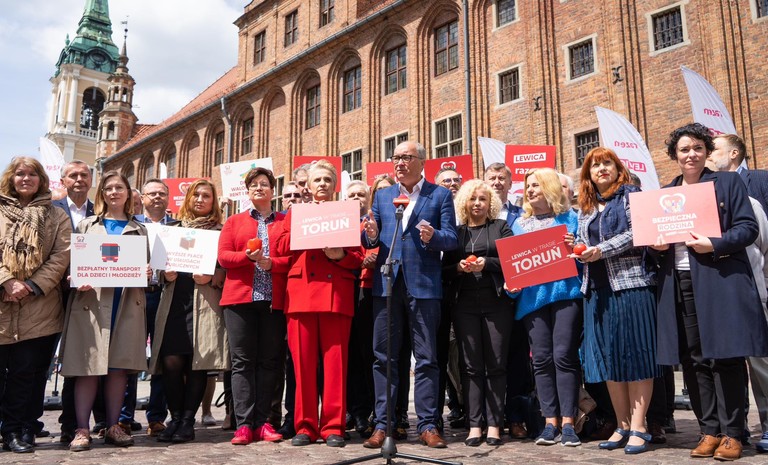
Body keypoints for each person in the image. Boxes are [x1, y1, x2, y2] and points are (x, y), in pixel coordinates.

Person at [650, 123, 768, 461]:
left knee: (725, 356)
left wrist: (714, 244)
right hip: (680, 283)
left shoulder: (728, 183)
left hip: (719, 280)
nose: (691, 154)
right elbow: (652, 243)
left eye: (698, 148)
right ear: (674, 155)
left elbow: (748, 228)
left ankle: (732, 433)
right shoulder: (664, 193)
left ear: (706, 152)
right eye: (684, 149)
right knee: (695, 358)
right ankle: (709, 430)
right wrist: (657, 246)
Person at [362, 141, 458, 449]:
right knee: (384, 358)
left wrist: (433, 237)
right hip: (387, 285)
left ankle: (428, 424)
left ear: (421, 162)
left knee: (427, 358)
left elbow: (451, 238)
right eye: (396, 158)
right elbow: (370, 238)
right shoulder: (384, 195)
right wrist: (371, 234)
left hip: (424, 286)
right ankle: (383, 424)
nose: (399, 163)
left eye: (406, 157)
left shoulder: (439, 195)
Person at [570, 148, 660, 455]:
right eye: (595, 166)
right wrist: (577, 247)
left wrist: (601, 250)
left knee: (636, 357)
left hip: (631, 286)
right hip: (596, 290)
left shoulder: (632, 197)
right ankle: (622, 425)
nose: (601, 169)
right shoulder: (585, 207)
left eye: (607, 163)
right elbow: (583, 241)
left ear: (618, 168)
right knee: (608, 359)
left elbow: (637, 232)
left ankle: (639, 426)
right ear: (588, 175)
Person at [273, 160, 363, 448]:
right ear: (308, 187)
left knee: (336, 366)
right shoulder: (295, 213)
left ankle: (334, 426)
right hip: (302, 294)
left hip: (336, 295)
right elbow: (279, 248)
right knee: (302, 366)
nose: (322, 184)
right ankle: (305, 426)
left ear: (335, 185)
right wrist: (302, 228)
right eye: (317, 180)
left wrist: (340, 255)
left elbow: (359, 258)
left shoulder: (345, 212)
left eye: (327, 179)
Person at [59, 170, 151, 452]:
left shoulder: (140, 229)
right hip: (92, 303)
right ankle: (82, 429)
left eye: (119, 188)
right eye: (108, 188)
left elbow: (148, 267)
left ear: (127, 193)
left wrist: (147, 272)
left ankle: (113, 426)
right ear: (102, 194)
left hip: (126, 304)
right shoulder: (87, 226)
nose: (114, 193)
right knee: (87, 367)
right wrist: (75, 277)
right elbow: (72, 264)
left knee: (118, 368)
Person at [506, 168, 582, 447]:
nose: (530, 190)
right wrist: (511, 286)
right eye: (528, 186)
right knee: (541, 359)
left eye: (536, 185)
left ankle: (569, 422)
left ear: (549, 187)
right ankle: (549, 422)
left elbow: (583, 257)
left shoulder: (571, 218)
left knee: (564, 356)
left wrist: (576, 247)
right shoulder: (518, 225)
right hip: (532, 300)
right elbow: (513, 266)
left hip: (565, 295)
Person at [0, 157, 71, 453]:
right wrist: (7, 281)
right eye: (20, 174)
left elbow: (61, 256)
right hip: (2, 303)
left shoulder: (57, 215)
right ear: (11, 178)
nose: (26, 178)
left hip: (39, 308)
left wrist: (29, 285)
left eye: (32, 174)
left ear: (41, 180)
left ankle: (17, 430)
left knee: (26, 374)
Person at [149, 179, 229, 443]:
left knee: (197, 363)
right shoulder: (173, 229)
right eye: (196, 195)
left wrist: (213, 276)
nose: (200, 200)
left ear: (213, 201)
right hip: (175, 301)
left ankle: (187, 421)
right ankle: (175, 417)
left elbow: (227, 267)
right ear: (188, 199)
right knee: (171, 361)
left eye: (206, 196)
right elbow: (158, 267)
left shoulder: (220, 231)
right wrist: (165, 273)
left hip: (204, 302)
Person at [218, 167, 288, 445]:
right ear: (247, 192)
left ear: (272, 190)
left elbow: (294, 258)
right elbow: (223, 257)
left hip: (273, 301)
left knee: (270, 362)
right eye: (254, 185)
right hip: (240, 300)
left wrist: (273, 264)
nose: (259, 188)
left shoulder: (284, 221)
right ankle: (244, 424)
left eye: (264, 184)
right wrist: (246, 257)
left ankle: (264, 422)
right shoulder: (234, 222)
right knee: (242, 363)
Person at [442, 180, 513, 446]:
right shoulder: (456, 233)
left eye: (482, 199)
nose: (477, 204)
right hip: (464, 305)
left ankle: (494, 424)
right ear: (464, 202)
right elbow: (443, 271)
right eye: (472, 199)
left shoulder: (501, 227)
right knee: (470, 367)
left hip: (497, 303)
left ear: (490, 203)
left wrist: (488, 263)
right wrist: (459, 268)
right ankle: (474, 425)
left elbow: (513, 259)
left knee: (496, 364)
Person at [121, 178, 177, 438]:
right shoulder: (131, 226)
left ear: (168, 198)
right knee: (129, 355)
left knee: (161, 357)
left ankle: (156, 417)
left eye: (161, 193)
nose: (156, 197)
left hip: (164, 295)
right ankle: (124, 417)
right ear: (141, 198)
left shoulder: (177, 228)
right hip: (135, 295)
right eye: (151, 193)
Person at [484, 163, 532, 440]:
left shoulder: (522, 215)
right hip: (485, 293)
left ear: (510, 183)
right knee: (488, 360)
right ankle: (489, 417)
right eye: (492, 177)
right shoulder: (477, 213)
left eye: (502, 178)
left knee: (516, 358)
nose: (497, 182)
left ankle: (515, 417)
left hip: (516, 294)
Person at [52, 160, 96, 443]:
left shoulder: (99, 212)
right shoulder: (52, 209)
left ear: (91, 180)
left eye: (84, 175)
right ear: (63, 181)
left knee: (82, 359)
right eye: (73, 175)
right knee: (45, 359)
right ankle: (27, 422)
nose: (79, 179)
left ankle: (73, 423)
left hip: (88, 293)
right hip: (53, 292)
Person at [345, 180, 375, 437]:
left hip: (367, 288)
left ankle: (366, 411)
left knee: (366, 352)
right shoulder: (340, 222)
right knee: (349, 353)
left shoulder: (373, 221)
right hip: (344, 289)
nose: (356, 198)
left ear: (368, 198)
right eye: (352, 195)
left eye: (361, 194)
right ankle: (351, 410)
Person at [709, 133, 768, 217]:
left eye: (713, 149)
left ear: (734, 153)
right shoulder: (709, 186)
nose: (708, 154)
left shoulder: (761, 178)